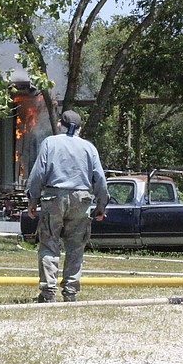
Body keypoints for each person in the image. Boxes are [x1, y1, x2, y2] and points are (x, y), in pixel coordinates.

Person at [26, 110, 109, 303]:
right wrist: (101, 206)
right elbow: (101, 180)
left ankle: (48, 293)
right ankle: (70, 292)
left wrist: (32, 200)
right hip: (82, 200)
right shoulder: (89, 148)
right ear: (79, 128)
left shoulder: (50, 143)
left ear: (60, 124)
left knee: (49, 244)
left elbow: (38, 174)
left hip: (54, 198)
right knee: (75, 247)